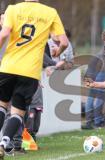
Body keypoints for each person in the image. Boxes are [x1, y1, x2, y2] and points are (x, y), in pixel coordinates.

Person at [0, 0, 68, 159]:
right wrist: (59, 50)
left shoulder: (13, 9)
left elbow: (4, 34)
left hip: (8, 67)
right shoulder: (50, 12)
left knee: (2, 106)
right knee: (17, 113)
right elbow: (64, 42)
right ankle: (3, 143)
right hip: (30, 71)